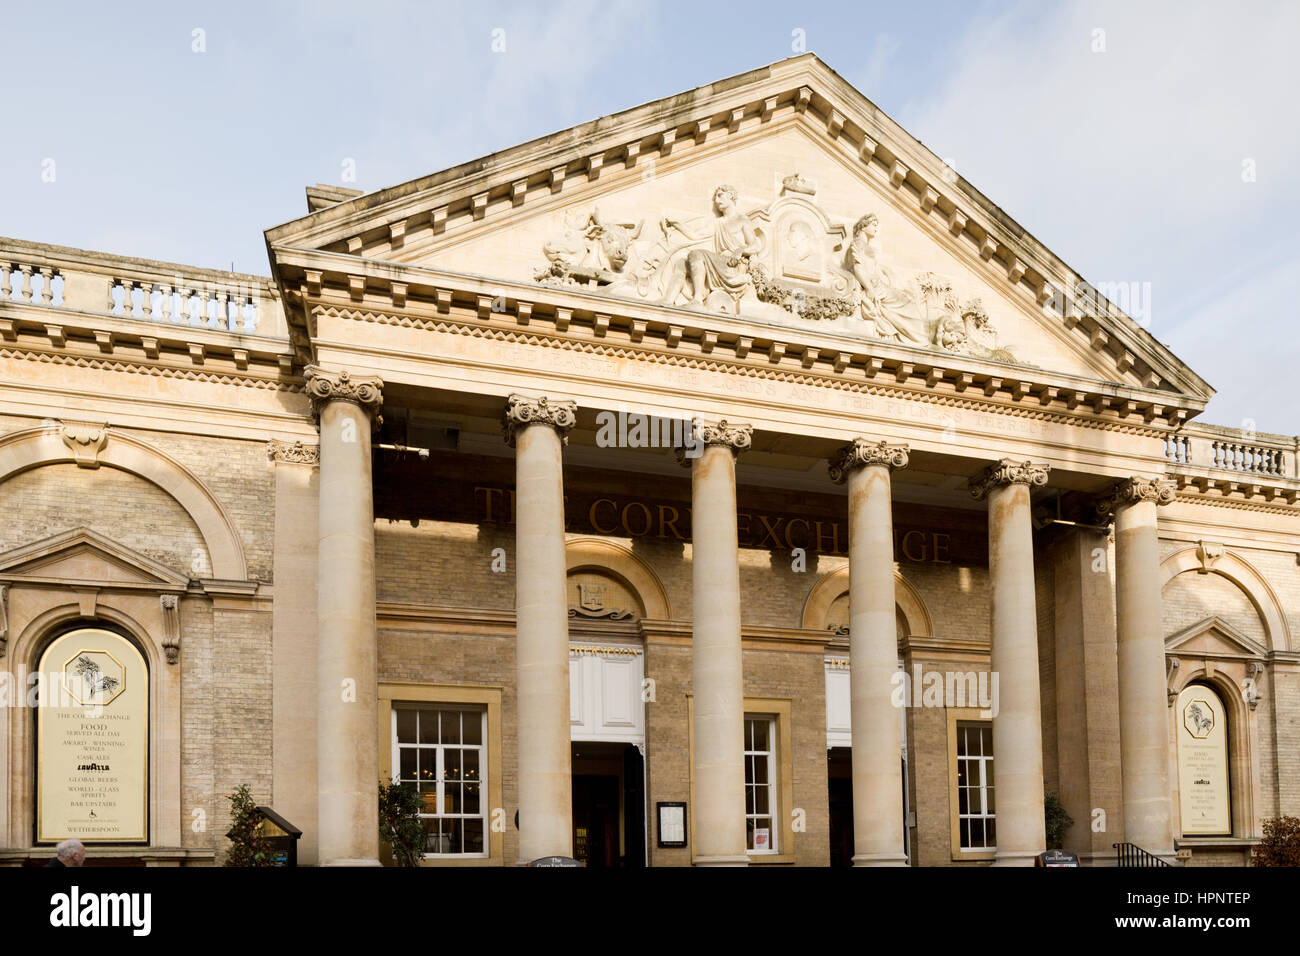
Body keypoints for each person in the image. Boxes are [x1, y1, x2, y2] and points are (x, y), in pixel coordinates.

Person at [659, 184, 761, 309]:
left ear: (730, 195)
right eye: (716, 198)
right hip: (720, 263)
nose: (717, 201)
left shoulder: (742, 220)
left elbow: (755, 245)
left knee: (696, 254)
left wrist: (740, 251)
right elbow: (695, 235)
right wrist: (675, 223)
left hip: (734, 266)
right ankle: (667, 300)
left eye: (720, 195)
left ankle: (697, 300)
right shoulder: (718, 223)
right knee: (681, 263)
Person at [847, 213, 931, 345]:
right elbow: (858, 268)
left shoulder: (867, 246)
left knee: (906, 298)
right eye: (873, 225)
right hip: (873, 287)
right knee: (907, 303)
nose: (876, 228)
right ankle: (919, 339)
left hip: (878, 286)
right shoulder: (858, 244)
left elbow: (875, 271)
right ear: (864, 226)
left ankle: (919, 338)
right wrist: (869, 289)